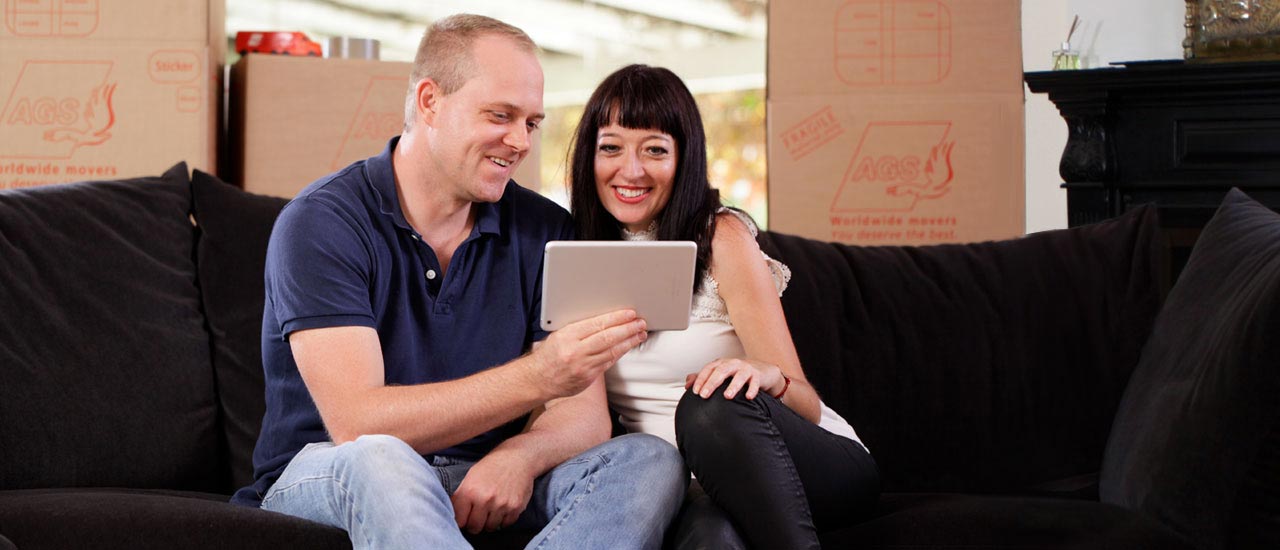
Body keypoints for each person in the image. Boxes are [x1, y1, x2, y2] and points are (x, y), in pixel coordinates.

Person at [231, 16, 686, 550]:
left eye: (532, 124)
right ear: (429, 102)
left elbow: (581, 417)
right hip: (334, 473)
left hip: (483, 477)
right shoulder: (322, 222)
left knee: (650, 461)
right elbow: (359, 422)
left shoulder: (546, 231)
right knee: (381, 457)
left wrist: (518, 456)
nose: (520, 142)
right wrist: (540, 375)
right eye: (501, 116)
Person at [568, 64, 881, 549]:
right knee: (711, 539)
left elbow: (807, 406)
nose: (631, 170)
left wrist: (767, 376)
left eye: (655, 150)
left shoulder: (721, 237)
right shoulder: (574, 256)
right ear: (589, 156)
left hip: (805, 462)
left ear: (684, 159)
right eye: (611, 147)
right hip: (689, 489)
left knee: (710, 404)